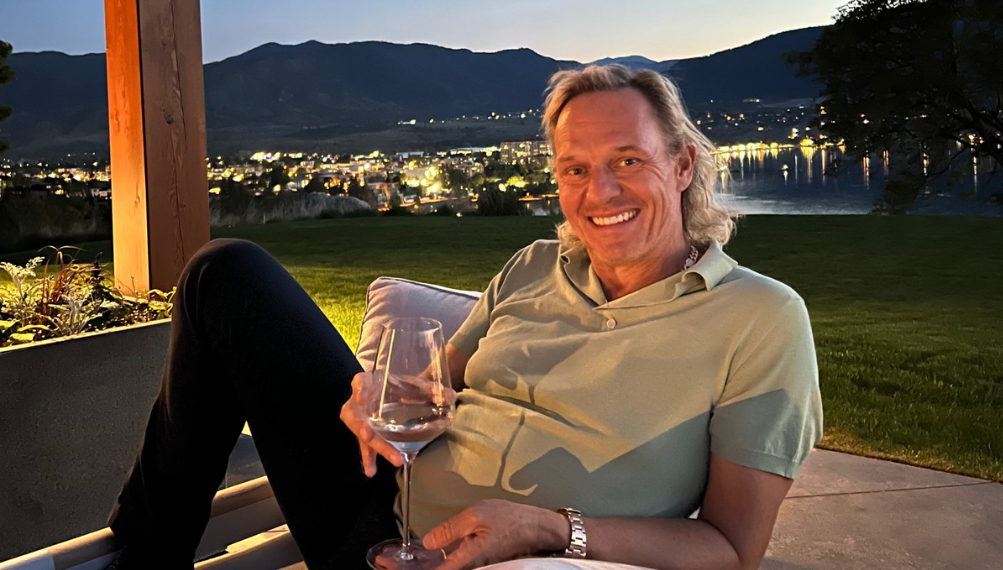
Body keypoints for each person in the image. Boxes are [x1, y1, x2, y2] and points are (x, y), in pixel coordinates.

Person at [107, 65, 822, 570]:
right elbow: (432, 383)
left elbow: (732, 550)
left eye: (628, 160)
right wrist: (380, 391)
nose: (599, 191)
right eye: (575, 168)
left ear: (684, 165)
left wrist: (549, 529)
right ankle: (144, 561)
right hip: (377, 502)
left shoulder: (759, 319)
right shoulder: (536, 264)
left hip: (479, 562)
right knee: (223, 275)